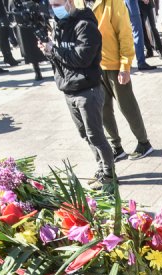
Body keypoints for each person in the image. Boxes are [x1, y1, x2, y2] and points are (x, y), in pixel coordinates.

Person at [41, 0, 116, 190]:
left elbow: (82, 59)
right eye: (52, 5)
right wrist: (48, 52)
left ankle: (109, 174)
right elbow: (61, 60)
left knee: (96, 136)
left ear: (70, 2)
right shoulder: (59, 25)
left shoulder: (85, 26)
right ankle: (101, 168)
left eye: (58, 3)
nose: (54, 8)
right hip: (69, 89)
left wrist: (55, 51)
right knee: (85, 135)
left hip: (87, 91)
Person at [80, 0, 153, 162]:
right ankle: (116, 147)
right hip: (93, 66)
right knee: (103, 110)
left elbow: (125, 33)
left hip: (114, 64)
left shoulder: (112, 2)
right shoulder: (78, 3)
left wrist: (125, 65)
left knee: (127, 106)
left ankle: (144, 143)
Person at [8, 0, 49, 80]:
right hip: (23, 25)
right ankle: (37, 71)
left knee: (45, 44)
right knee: (30, 49)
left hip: (36, 20)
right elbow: (12, 16)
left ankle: (54, 68)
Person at [124, 0, 155, 69]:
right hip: (131, 4)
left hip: (121, 5)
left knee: (126, 34)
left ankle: (127, 63)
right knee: (138, 33)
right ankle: (141, 62)